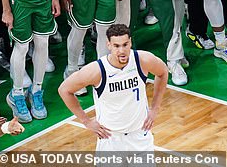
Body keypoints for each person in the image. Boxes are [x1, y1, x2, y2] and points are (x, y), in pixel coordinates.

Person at [58, 23, 168, 151]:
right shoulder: (97, 70)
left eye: (125, 45)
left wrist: (155, 108)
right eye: (116, 46)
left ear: (130, 43)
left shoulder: (142, 60)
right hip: (111, 139)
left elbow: (163, 72)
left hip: (140, 135)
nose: (121, 50)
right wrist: (86, 121)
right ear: (108, 45)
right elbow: (64, 90)